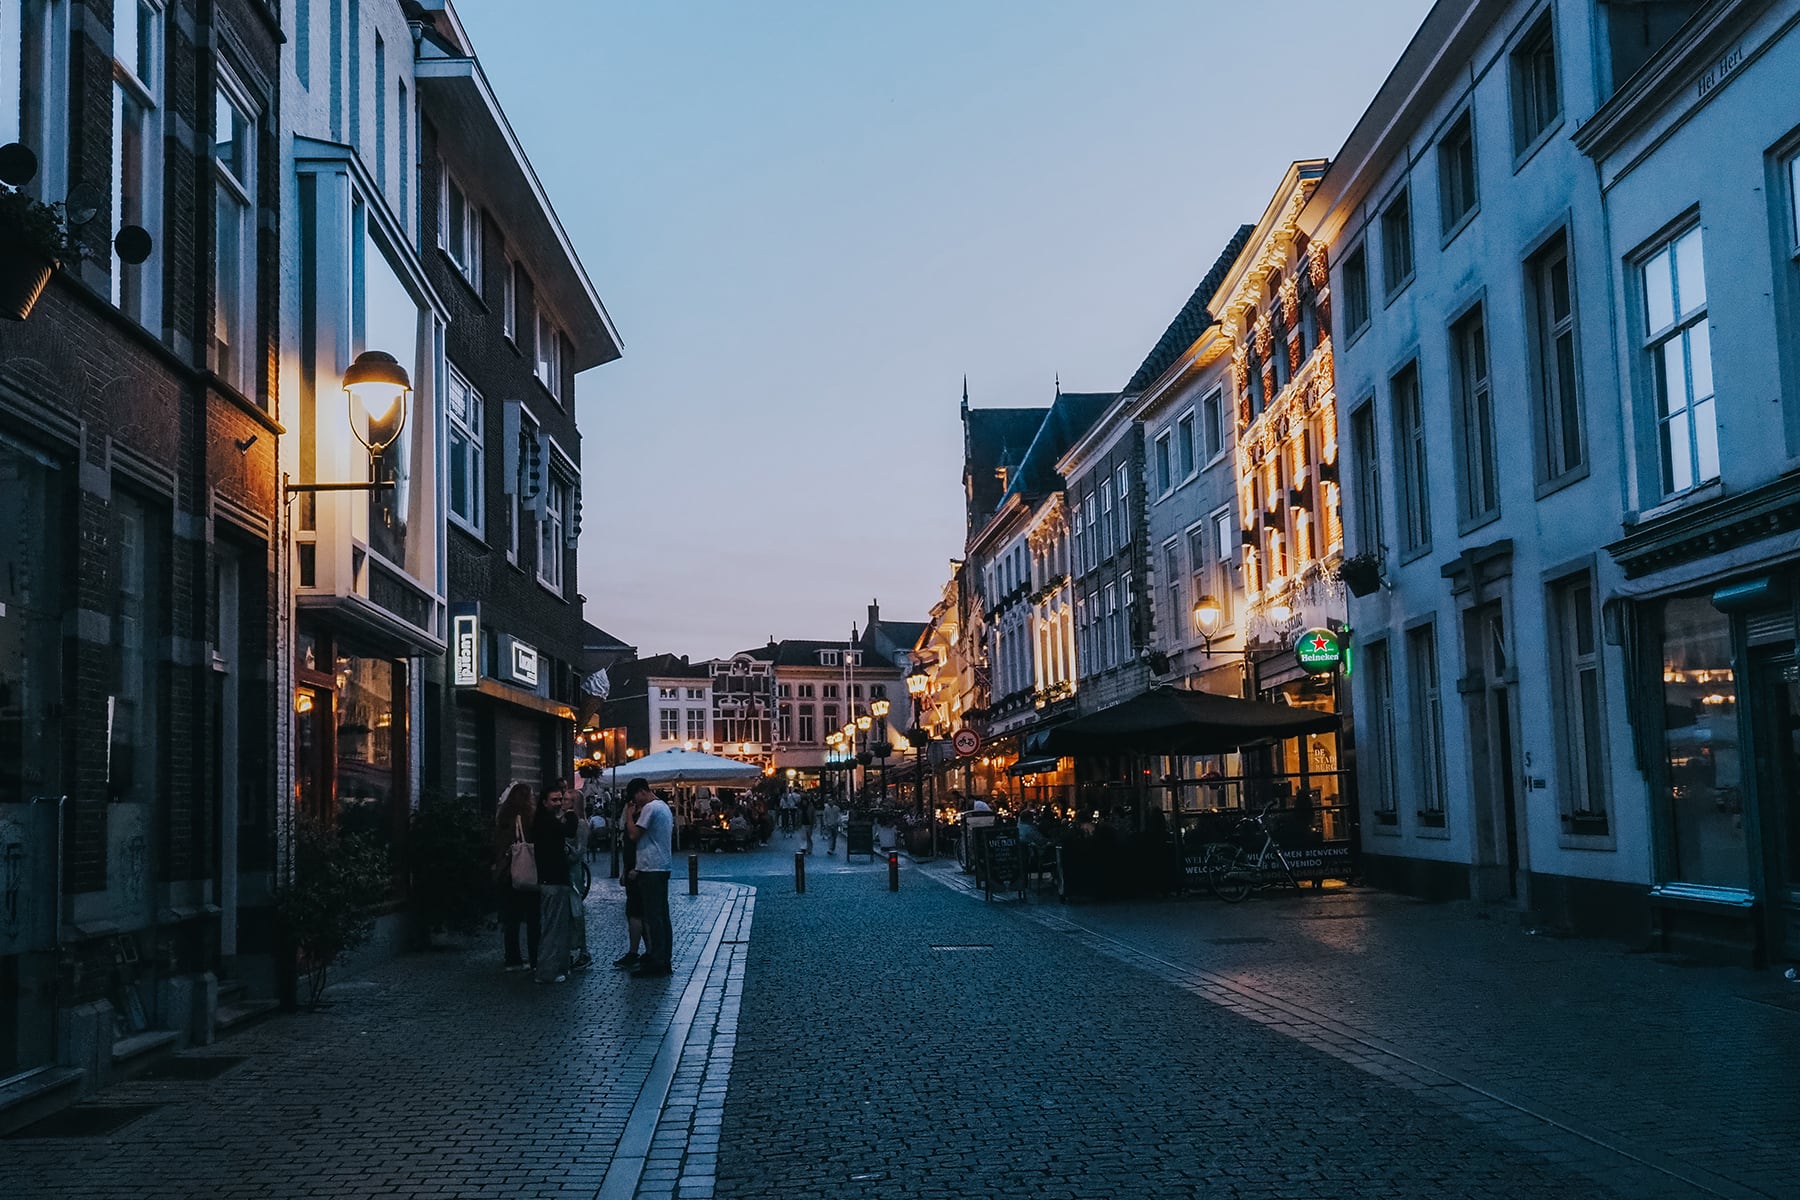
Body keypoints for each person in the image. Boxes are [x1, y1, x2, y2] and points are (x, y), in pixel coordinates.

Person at [625, 778, 674, 978]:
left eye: (634, 797)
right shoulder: (663, 807)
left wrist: (629, 816)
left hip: (651, 867)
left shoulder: (650, 809)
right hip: (662, 865)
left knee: (653, 916)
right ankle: (664, 957)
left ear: (641, 792)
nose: (635, 802)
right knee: (662, 915)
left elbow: (634, 834)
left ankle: (657, 960)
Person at [492, 781, 540, 973]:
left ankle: (512, 958)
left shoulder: (503, 816)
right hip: (525, 872)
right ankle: (534, 957)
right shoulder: (529, 818)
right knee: (532, 918)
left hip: (507, 873)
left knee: (510, 919)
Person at [531, 787, 575, 984]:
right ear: (544, 802)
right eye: (555, 800)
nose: (558, 803)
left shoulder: (544, 821)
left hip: (553, 879)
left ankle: (557, 966)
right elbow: (569, 831)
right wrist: (572, 812)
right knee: (553, 927)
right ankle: (547, 971)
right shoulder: (547, 822)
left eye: (560, 799)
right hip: (553, 880)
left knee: (555, 925)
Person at [611, 785, 647, 969]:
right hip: (632, 870)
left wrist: (634, 868)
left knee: (636, 913)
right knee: (638, 913)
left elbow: (635, 842)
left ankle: (636, 952)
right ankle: (645, 951)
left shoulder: (639, 818)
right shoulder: (637, 817)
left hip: (637, 871)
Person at [797, 790, 816, 855]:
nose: (804, 802)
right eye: (803, 801)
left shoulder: (810, 806)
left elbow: (813, 815)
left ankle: (809, 849)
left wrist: (814, 823)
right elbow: (798, 816)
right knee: (803, 836)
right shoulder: (800, 808)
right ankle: (803, 848)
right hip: (802, 823)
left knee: (808, 837)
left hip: (809, 823)